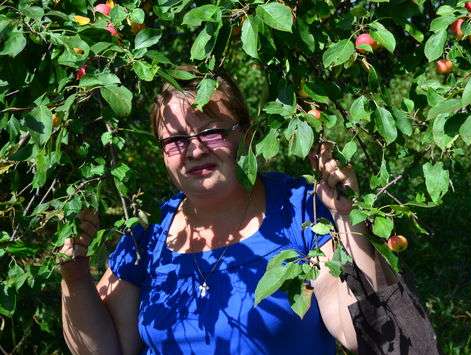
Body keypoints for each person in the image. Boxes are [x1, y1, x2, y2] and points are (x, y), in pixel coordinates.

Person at [58, 69, 396, 354]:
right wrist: (73, 275)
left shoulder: (298, 211)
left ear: (245, 136)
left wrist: (348, 219)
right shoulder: (150, 238)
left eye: (211, 131)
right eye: (175, 140)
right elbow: (102, 349)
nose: (194, 149)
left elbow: (359, 332)